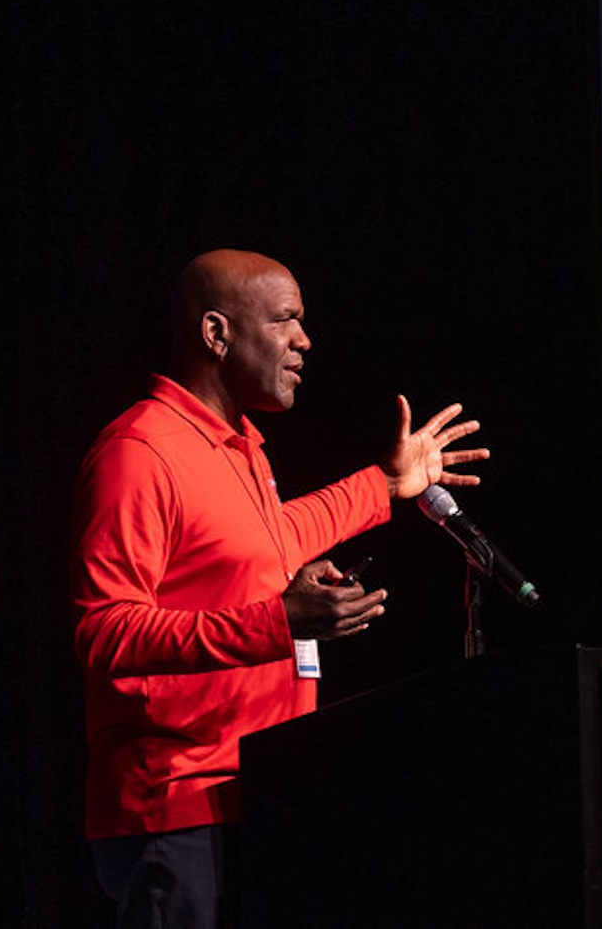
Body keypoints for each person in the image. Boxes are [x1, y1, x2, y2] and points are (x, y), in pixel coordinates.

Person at [71, 249, 488, 927]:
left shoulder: (240, 446)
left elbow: (270, 543)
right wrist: (277, 622)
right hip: (176, 807)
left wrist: (384, 484)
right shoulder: (139, 453)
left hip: (261, 789)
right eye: (286, 320)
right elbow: (106, 629)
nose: (304, 340)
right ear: (217, 334)